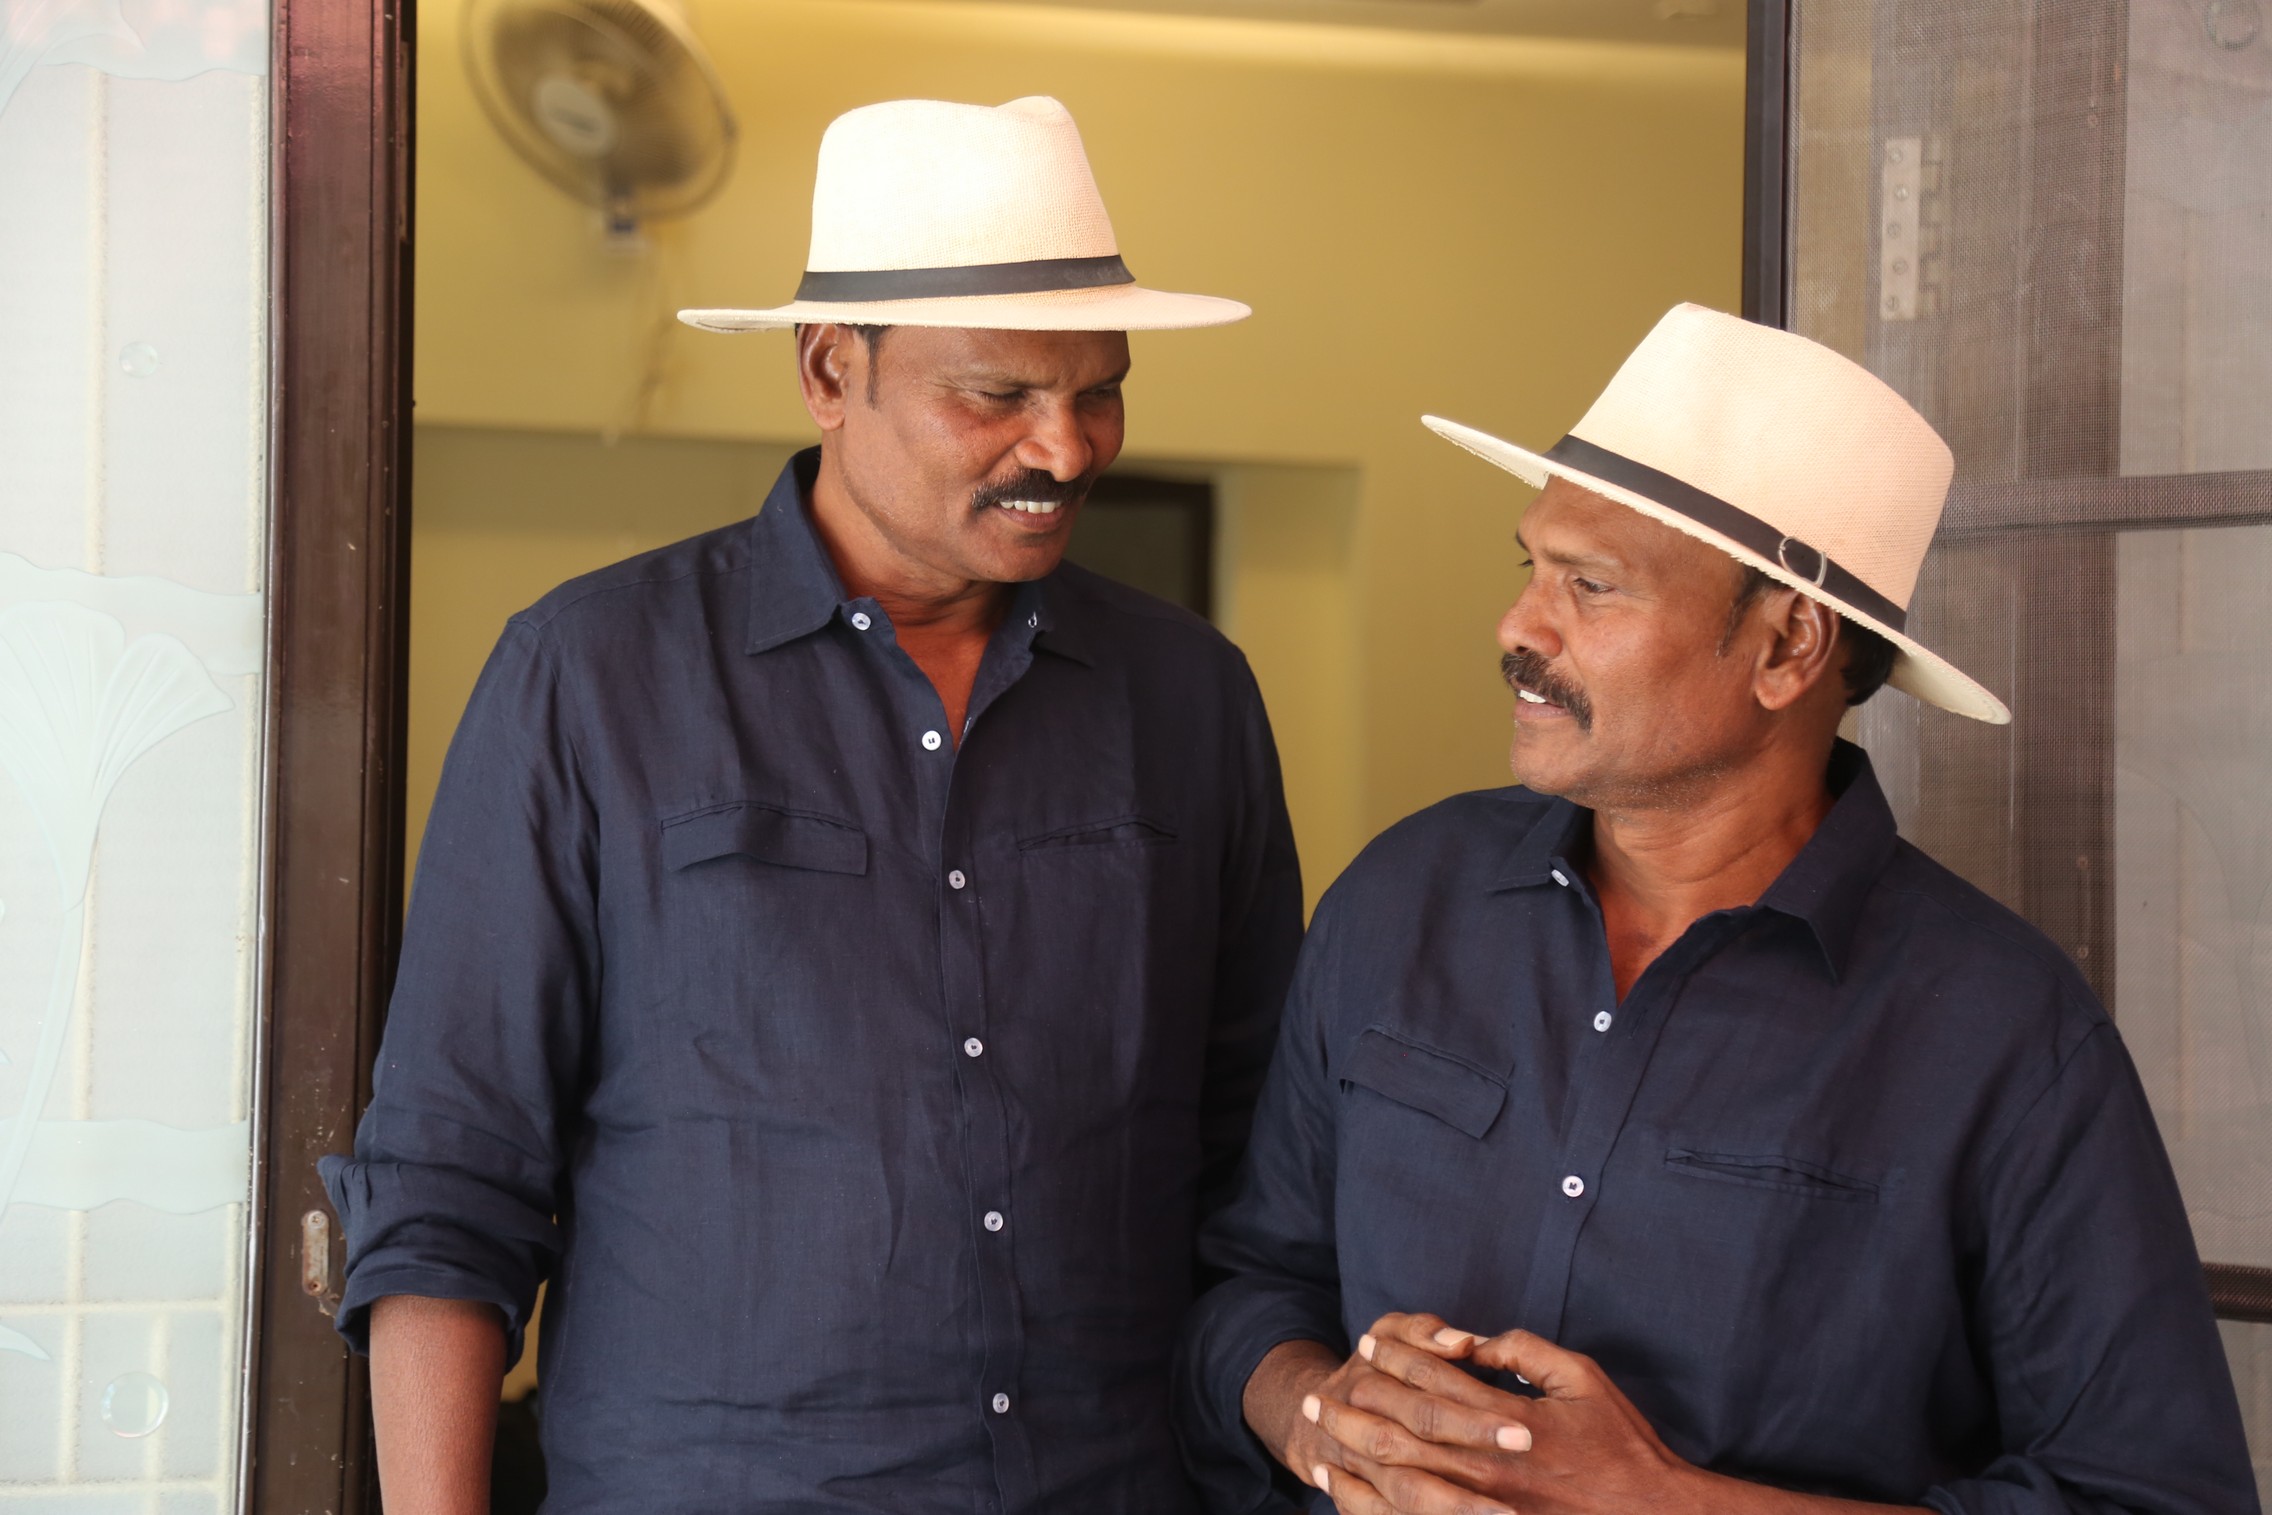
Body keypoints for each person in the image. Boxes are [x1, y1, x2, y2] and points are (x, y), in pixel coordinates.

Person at [322, 96, 1302, 1514]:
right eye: (998, 395)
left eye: (1099, 388)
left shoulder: (1188, 697)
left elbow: (1257, 1165)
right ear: (831, 368)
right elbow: (450, 1174)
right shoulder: (594, 674)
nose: (1069, 447)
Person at [1175, 305, 2256, 1515]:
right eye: (1527, 567)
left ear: (1788, 647)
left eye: (1590, 587)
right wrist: (1320, 1423)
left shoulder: (2003, 1034)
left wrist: (1663, 1501)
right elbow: (1250, 1285)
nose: (1518, 628)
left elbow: (2157, 1500)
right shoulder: (1402, 898)